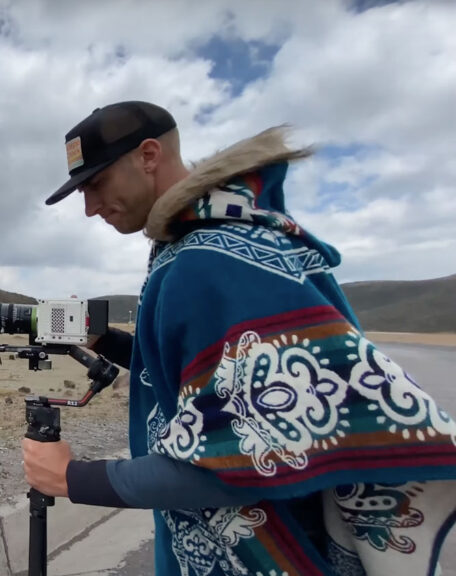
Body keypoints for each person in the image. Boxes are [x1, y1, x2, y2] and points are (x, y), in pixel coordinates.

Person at [22, 100, 456, 575]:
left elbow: (234, 459)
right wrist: (104, 340)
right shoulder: (217, 241)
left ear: (148, 156)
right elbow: (201, 381)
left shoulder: (209, 263)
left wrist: (73, 477)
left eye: (96, 183)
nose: (88, 209)